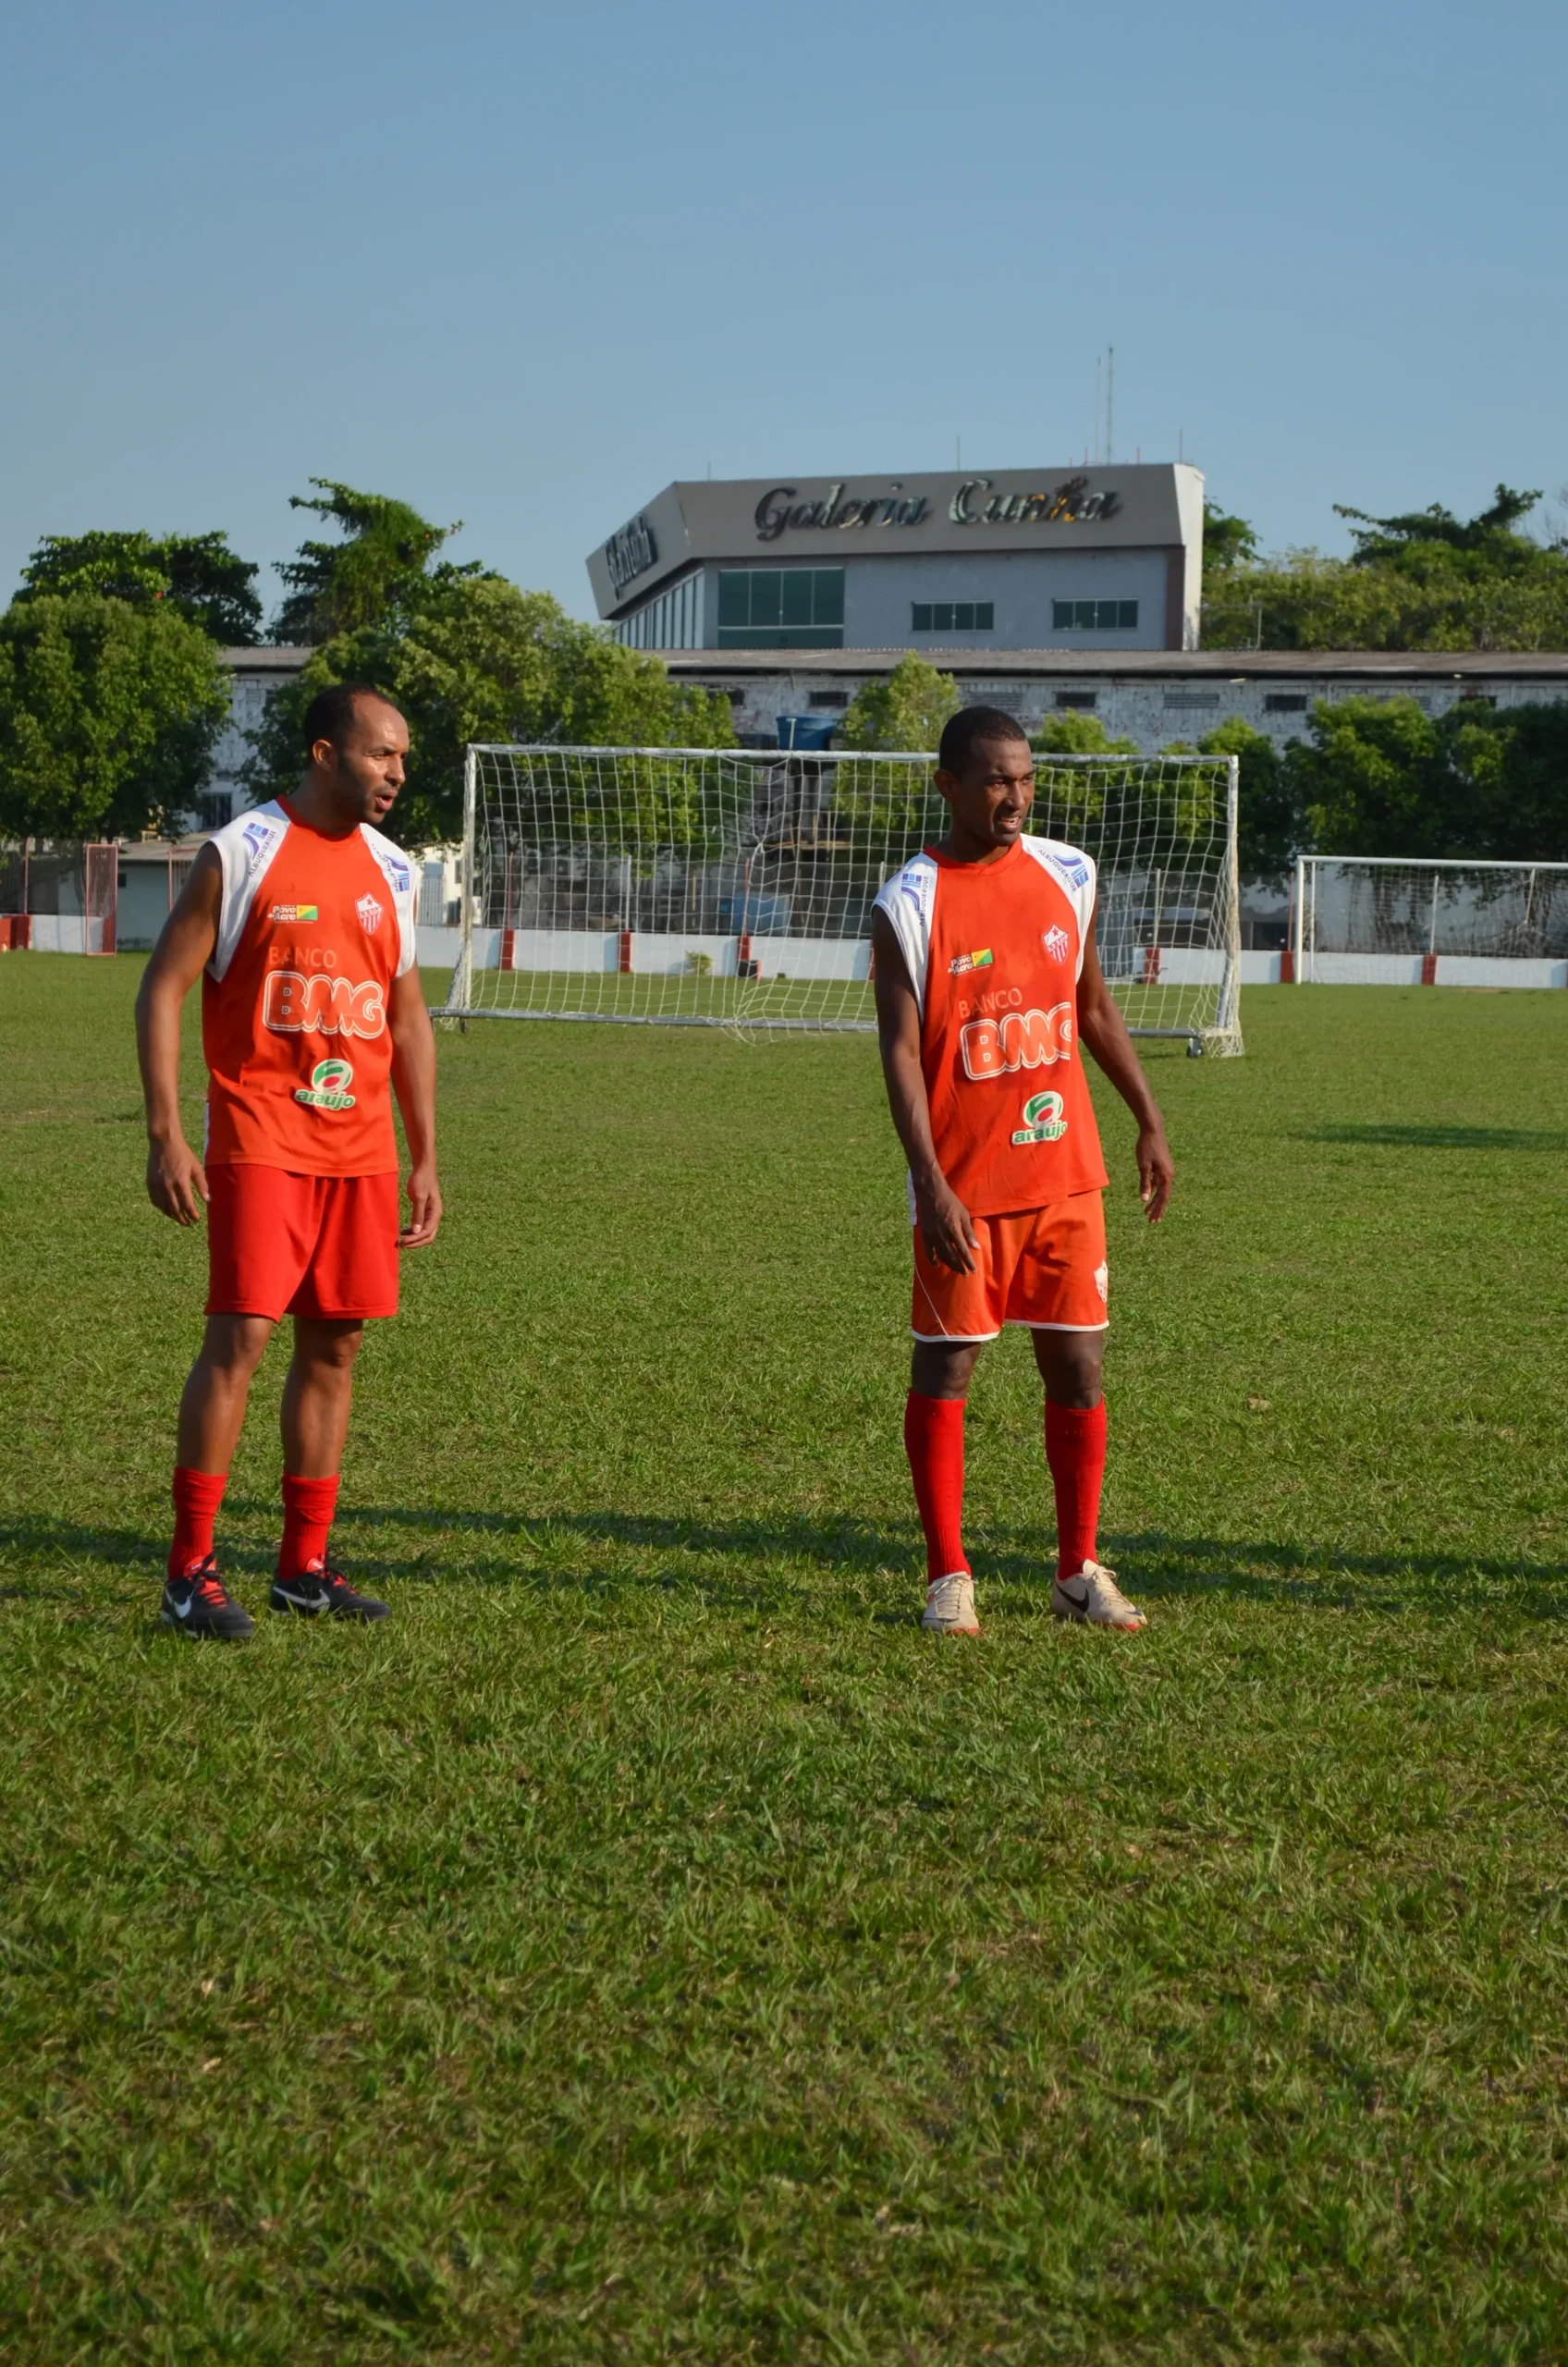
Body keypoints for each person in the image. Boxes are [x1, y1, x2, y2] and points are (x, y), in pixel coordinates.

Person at [136, 683, 442, 1638]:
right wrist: (165, 1131)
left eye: (402, 758)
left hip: (361, 1151)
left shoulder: (394, 871)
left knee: (337, 1344)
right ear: (324, 753)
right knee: (242, 1335)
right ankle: (190, 1568)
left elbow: (406, 1016)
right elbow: (163, 985)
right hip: (263, 1135)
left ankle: (302, 1566)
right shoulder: (244, 851)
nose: (396, 772)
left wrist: (424, 1152)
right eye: (380, 754)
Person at [870, 705, 1174, 1636]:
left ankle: (1077, 1568)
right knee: (947, 1368)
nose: (1015, 795)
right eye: (996, 779)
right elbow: (899, 1054)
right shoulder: (908, 903)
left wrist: (1149, 1121)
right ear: (949, 785)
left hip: (1066, 1178)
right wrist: (930, 1184)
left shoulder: (1068, 873)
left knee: (1079, 1368)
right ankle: (946, 1573)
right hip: (966, 1189)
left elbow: (1093, 1008)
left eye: (1026, 778)